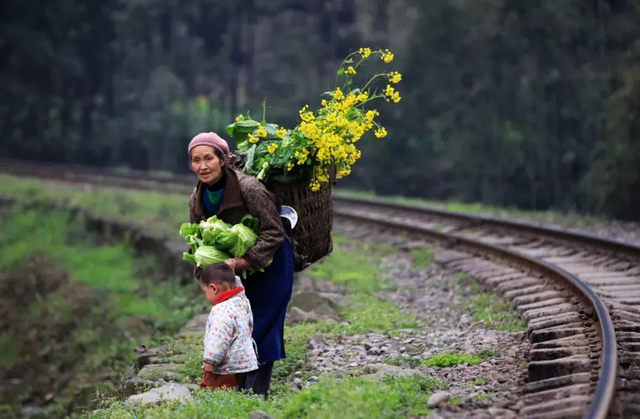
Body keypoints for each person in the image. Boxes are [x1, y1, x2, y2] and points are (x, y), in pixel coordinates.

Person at [187, 132, 295, 398]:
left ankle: (256, 394)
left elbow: (273, 232)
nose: (202, 166)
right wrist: (204, 274)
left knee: (261, 326)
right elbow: (196, 239)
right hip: (234, 272)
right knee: (237, 329)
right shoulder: (196, 198)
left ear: (222, 159)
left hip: (270, 264)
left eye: (209, 158)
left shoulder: (249, 188)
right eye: (196, 160)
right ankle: (241, 391)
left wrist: (242, 261)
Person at [199, 263, 258, 391]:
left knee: (211, 390)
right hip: (242, 363)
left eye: (205, 292)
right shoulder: (241, 300)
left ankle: (213, 410)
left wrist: (210, 359)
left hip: (225, 366)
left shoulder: (221, 310)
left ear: (213, 288)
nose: (206, 295)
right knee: (232, 389)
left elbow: (219, 336)